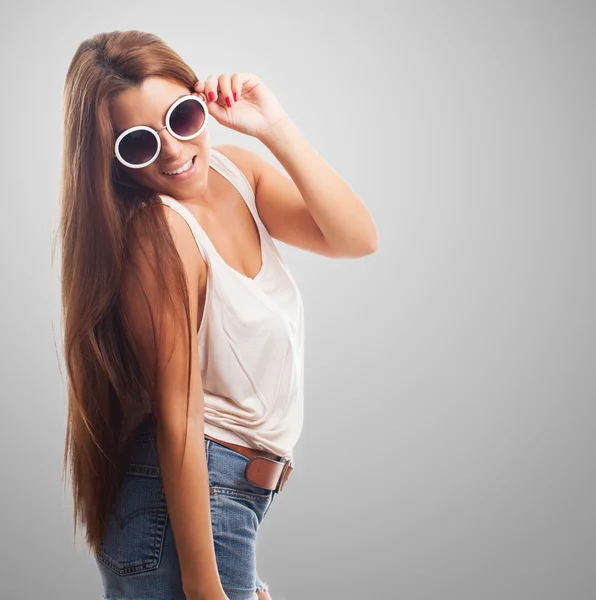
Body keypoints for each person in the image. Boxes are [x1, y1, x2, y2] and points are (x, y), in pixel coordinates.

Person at [59, 29, 378, 600]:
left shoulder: (239, 171)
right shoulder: (158, 234)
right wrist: (205, 587)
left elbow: (356, 238)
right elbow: (178, 420)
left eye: (181, 119)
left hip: (229, 500)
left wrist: (274, 126)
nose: (176, 153)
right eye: (140, 144)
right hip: (187, 504)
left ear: (200, 101)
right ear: (113, 161)